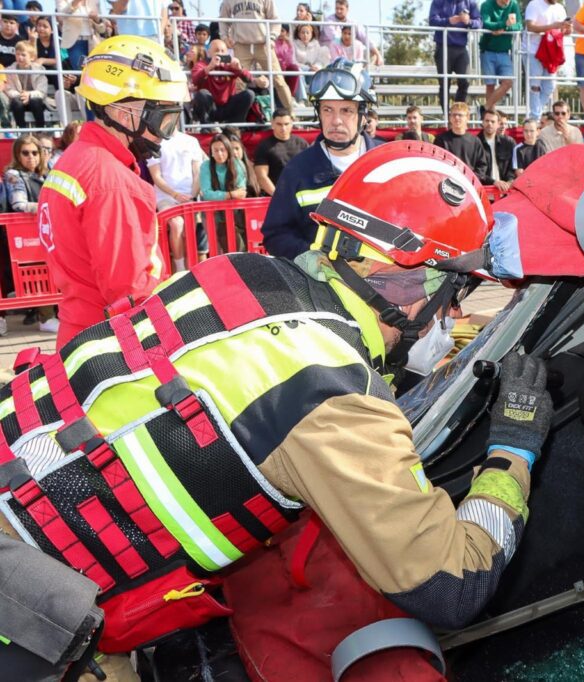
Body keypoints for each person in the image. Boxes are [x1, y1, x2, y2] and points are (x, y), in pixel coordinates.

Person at [0, 141, 552, 682]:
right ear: (414, 286)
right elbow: (451, 586)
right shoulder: (331, 398)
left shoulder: (244, 273)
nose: (453, 315)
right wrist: (512, 452)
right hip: (22, 610)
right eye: (454, 296)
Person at [38, 34, 188, 348]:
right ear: (124, 114)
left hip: (81, 334)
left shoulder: (75, 161)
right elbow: (129, 293)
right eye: (165, 120)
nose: (166, 135)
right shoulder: (112, 181)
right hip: (114, 348)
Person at [261, 58, 377, 260]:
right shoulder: (298, 170)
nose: (336, 121)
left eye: (346, 110)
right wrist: (314, 256)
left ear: (363, 114)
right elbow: (275, 235)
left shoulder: (387, 162)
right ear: (318, 113)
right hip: (322, 286)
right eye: (327, 110)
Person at [5, 134, 57, 332]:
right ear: (18, 155)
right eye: (25, 153)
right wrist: (50, 206)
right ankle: (46, 318)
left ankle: (51, 316)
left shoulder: (47, 173)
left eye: (35, 152)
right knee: (42, 274)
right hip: (28, 236)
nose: (31, 157)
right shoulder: (14, 175)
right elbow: (19, 204)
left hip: (47, 231)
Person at [218, 0, 294, 115]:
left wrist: (272, 37)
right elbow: (223, 19)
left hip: (263, 44)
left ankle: (291, 114)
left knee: (278, 80)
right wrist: (224, 36)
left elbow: (275, 19)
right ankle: (236, 118)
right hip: (241, 45)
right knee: (238, 84)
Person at [148, 128, 202, 272]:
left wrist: (192, 194)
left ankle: (191, 268)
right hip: (165, 197)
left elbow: (197, 172)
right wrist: (175, 194)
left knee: (189, 230)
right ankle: (179, 269)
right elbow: (156, 176)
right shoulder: (154, 142)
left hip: (189, 196)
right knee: (177, 224)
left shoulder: (191, 141)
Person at [191, 39, 261, 125]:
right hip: (210, 107)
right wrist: (209, 67)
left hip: (228, 105)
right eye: (216, 50)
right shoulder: (202, 64)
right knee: (202, 94)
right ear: (209, 52)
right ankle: (207, 126)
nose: (220, 53)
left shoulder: (230, 65)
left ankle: (236, 125)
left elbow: (249, 79)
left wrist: (239, 69)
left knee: (249, 94)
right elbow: (195, 80)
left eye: (223, 51)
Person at [428, 0, 480, 114]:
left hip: (461, 48)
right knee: (444, 83)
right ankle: (446, 116)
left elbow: (479, 23)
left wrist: (469, 21)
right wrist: (448, 21)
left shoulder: (470, 3)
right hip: (443, 47)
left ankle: (457, 113)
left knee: (465, 81)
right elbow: (432, 20)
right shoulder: (438, 2)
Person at [200, 132, 248, 253]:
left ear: (228, 150)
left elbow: (241, 193)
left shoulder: (237, 164)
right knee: (216, 249)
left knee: (238, 248)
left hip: (234, 214)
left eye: (223, 150)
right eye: (215, 150)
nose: (220, 154)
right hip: (212, 214)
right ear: (211, 152)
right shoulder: (205, 166)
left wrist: (219, 195)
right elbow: (206, 193)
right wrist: (230, 195)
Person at [523, 0, 570, 120]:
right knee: (535, 85)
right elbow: (530, 26)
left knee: (550, 86)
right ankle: (535, 117)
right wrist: (553, 26)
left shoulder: (560, 8)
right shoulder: (534, 4)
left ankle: (535, 115)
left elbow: (564, 32)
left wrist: (568, 29)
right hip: (533, 50)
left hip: (551, 53)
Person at [253, 108, 308, 196]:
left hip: (301, 194)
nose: (283, 128)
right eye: (279, 124)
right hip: (275, 197)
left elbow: (309, 169)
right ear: (272, 123)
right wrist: (278, 197)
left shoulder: (302, 143)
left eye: (286, 124)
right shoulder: (264, 146)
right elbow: (261, 177)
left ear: (292, 123)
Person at [479, 0, 521, 111]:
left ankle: (485, 109)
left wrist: (502, 28)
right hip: (487, 51)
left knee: (508, 82)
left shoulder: (513, 4)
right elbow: (485, 23)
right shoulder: (486, 5)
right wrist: (504, 24)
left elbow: (519, 25)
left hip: (504, 52)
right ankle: (490, 115)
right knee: (490, 85)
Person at [434, 100, 490, 185]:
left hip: (469, 185)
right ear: (450, 118)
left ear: (467, 117)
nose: (456, 118)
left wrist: (470, 179)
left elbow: (482, 166)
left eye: (460, 115)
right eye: (454, 115)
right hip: (447, 184)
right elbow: (436, 163)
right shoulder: (441, 139)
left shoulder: (475, 141)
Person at [319, 0, 382, 65]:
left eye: (341, 9)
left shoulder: (352, 22)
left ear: (347, 9)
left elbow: (364, 37)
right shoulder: (328, 21)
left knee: (368, 52)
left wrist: (377, 54)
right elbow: (335, 38)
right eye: (337, 8)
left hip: (347, 53)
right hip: (332, 53)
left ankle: (363, 68)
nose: (338, 11)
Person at [3, 40, 47, 128]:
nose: (20, 57)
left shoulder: (39, 69)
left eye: (23, 55)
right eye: (17, 54)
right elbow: (8, 88)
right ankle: (22, 130)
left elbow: (42, 90)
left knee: (35, 101)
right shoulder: (10, 70)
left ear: (31, 57)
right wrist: (21, 95)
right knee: (17, 102)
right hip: (18, 99)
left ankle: (40, 130)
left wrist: (29, 94)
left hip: (33, 98)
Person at [56, 0, 102, 69]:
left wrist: (96, 19)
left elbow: (102, 27)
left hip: (93, 42)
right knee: (81, 70)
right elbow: (62, 15)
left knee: (95, 71)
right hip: (75, 43)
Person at [478, 107, 514, 191]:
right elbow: (477, 172)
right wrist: (494, 182)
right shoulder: (475, 143)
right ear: (482, 122)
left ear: (498, 124)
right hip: (484, 191)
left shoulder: (508, 142)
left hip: (505, 192)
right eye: (487, 121)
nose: (489, 124)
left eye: (493, 121)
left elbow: (512, 167)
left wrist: (509, 181)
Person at [292, 23, 328, 104]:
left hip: (312, 72)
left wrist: (316, 67)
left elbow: (320, 61)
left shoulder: (316, 45)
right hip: (301, 71)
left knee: (321, 74)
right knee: (298, 71)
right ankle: (302, 100)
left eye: (307, 33)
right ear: (298, 34)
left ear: (312, 34)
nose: (305, 35)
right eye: (302, 32)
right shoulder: (293, 44)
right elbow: (293, 62)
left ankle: (319, 101)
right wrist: (308, 68)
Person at [225, 126, 260, 196]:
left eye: (237, 148)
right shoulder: (220, 169)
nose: (235, 153)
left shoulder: (252, 167)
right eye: (231, 149)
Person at [32, 15, 55, 88]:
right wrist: (33, 41)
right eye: (39, 25)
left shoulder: (59, 41)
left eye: (45, 26)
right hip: (39, 71)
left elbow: (61, 59)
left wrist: (43, 60)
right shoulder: (33, 40)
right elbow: (33, 59)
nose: (41, 28)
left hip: (54, 71)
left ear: (52, 29)